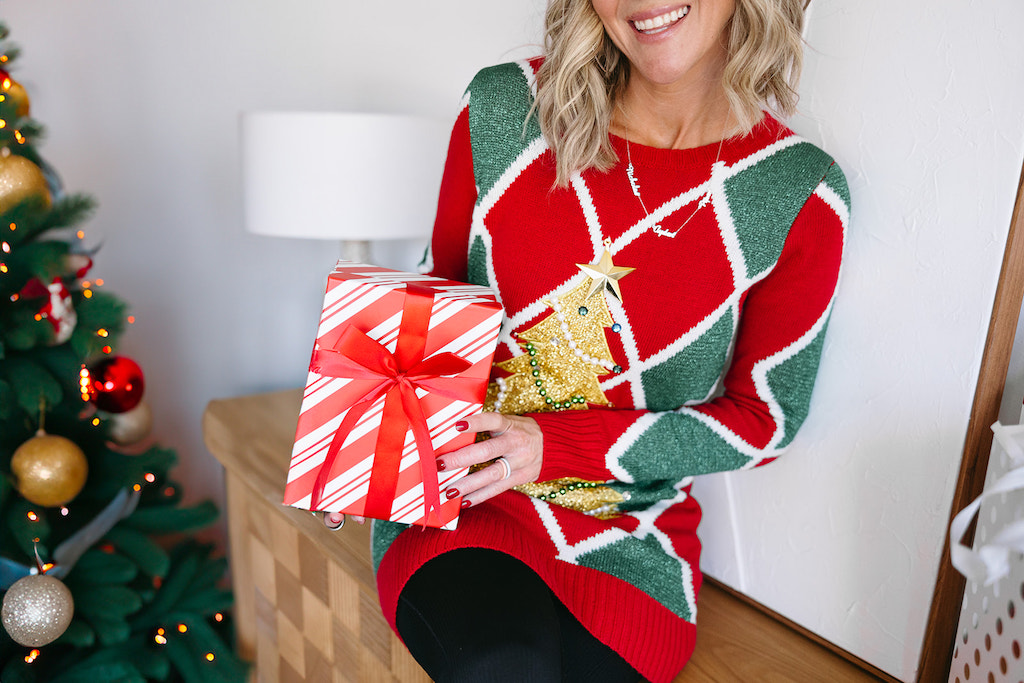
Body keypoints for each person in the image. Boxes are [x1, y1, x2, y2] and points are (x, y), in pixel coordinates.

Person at [326, 0, 848, 680]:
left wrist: (554, 448)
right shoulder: (505, 107)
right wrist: (360, 449)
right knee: (500, 663)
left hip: (632, 538)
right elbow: (441, 285)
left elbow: (765, 419)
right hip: (466, 497)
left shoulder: (796, 192)